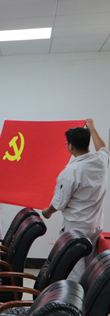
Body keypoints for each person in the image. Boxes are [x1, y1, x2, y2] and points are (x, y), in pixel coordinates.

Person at [42, 118, 109, 281]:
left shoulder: (71, 171)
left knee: (74, 268)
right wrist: (92, 127)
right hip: (94, 225)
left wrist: (47, 212)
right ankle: (87, 294)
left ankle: (74, 295)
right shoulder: (100, 161)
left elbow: (59, 202)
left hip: (76, 226)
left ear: (70, 146)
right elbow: (103, 148)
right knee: (90, 265)